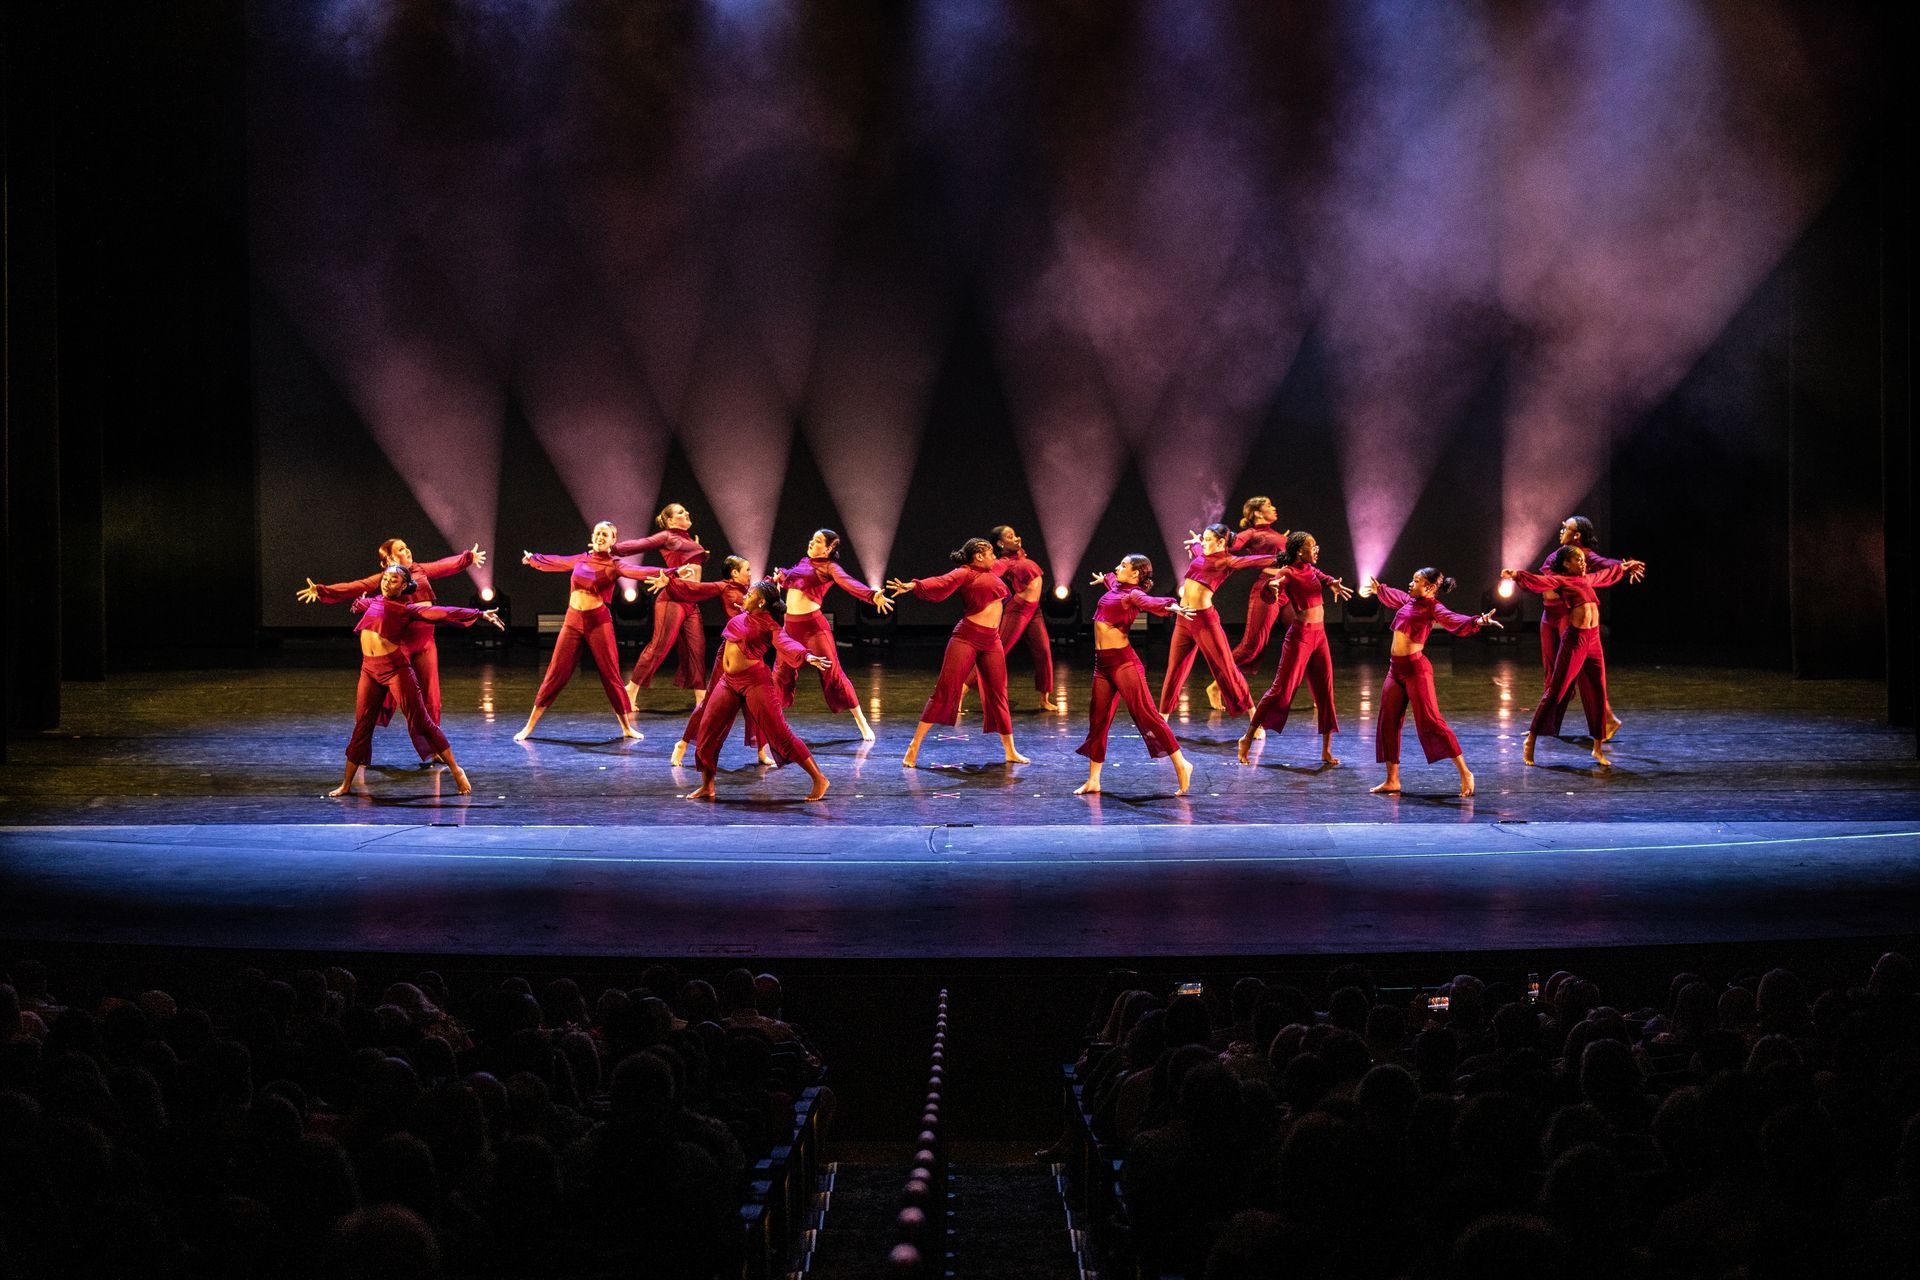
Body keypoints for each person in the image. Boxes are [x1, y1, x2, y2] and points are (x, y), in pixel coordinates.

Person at [297, 538, 486, 764]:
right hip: (401, 645)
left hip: (426, 643)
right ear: (388, 559)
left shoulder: (419, 570)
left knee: (431, 699)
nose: (407, 550)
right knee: (374, 703)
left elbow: (444, 565)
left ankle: (435, 750)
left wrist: (468, 558)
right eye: (400, 549)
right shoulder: (386, 579)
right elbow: (356, 586)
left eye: (406, 546)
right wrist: (322, 590)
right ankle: (360, 753)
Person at [329, 565, 502, 797]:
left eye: (393, 580)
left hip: (395, 669)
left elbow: (443, 612)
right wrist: (351, 601)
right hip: (369, 670)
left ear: (404, 586)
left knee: (421, 722)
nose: (387, 583)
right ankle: (346, 784)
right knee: (362, 725)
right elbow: (361, 602)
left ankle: (456, 769)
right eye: (385, 579)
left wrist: (479, 614)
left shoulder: (406, 609)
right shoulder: (374, 601)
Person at [516, 522, 688, 742]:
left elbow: (639, 571)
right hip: (572, 621)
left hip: (598, 623)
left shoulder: (614, 564)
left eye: (605, 535)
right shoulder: (581, 559)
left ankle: (626, 727)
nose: (600, 537)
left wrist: (671, 572)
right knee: (555, 673)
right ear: (592, 537)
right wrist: (533, 559)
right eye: (597, 533)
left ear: (613, 540)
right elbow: (557, 561)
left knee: (610, 674)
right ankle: (529, 727)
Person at [685, 579, 834, 803]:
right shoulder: (745, 615)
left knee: (780, 734)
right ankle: (708, 786)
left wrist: (806, 655)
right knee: (707, 730)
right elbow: (748, 615)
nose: (745, 596)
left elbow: (785, 642)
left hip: (755, 682)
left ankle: (819, 779)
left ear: (761, 602)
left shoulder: (769, 625)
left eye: (750, 594)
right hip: (728, 682)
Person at [889, 538, 1030, 768]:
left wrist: (1018, 552)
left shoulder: (992, 570)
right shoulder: (964, 573)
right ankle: (914, 746)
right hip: (967, 637)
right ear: (979, 556)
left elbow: (1008, 562)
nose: (994, 556)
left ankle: (1010, 751)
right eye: (990, 553)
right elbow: (940, 582)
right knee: (945, 690)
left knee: (998, 694)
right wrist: (914, 586)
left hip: (992, 640)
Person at [1503, 546, 1646, 767]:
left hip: (1594, 639)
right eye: (1577, 560)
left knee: (1597, 691)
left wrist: (1625, 567)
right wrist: (1516, 575)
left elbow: (1606, 574)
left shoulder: (1587, 578)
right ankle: (1531, 738)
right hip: (1576, 640)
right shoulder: (1560, 580)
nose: (1583, 563)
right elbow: (1539, 581)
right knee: (1556, 690)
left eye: (1583, 560)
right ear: (1566, 564)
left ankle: (1597, 748)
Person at [1363, 568, 1500, 798]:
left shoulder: (1434, 607)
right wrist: (1380, 590)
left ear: (1430, 587)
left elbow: (1453, 619)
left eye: (1416, 581)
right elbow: (1396, 596)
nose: (1411, 583)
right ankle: (1392, 780)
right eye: (1412, 579)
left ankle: (1465, 773)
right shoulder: (1409, 601)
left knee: (1431, 722)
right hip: (1395, 670)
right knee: (1388, 721)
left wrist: (1478, 621)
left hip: (1416, 670)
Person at [1076, 555, 1197, 796]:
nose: (1116, 567)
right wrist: (1105, 579)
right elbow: (1112, 581)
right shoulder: (1118, 587)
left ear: (1135, 574)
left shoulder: (1133, 595)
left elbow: (1149, 601)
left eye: (1123, 565)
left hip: (1123, 664)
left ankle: (1182, 763)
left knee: (1146, 715)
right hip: (1102, 665)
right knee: (1098, 720)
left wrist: (1171, 606)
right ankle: (1094, 780)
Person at [1240, 531, 1354, 766]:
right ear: (1299, 551)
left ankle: (1326, 750)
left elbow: (1323, 577)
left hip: (1319, 636)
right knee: (1280, 689)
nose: (1316, 549)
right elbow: (1273, 586)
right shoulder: (1287, 572)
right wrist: (1271, 587)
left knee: (1325, 691)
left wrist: (1332, 583)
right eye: (1312, 546)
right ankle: (1247, 738)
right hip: (1300, 637)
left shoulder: (1310, 569)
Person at [773, 529, 892, 741]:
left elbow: (848, 582)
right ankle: (774, 723)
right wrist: (777, 580)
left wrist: (872, 596)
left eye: (818, 541)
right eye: (812, 539)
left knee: (833, 673)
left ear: (829, 549)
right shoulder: (803, 562)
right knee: (780, 675)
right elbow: (789, 578)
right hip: (789, 629)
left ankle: (862, 722)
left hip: (813, 629)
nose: (811, 542)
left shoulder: (830, 567)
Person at [1535, 516, 1643, 742]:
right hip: (1549, 615)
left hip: (1566, 615)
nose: (1562, 529)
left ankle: (1607, 719)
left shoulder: (1583, 555)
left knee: (1579, 672)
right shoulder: (1562, 553)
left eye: (1566, 527)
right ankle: (1548, 725)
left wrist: (1623, 566)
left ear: (1577, 535)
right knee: (1551, 670)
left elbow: (1605, 564)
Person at [662, 556, 772, 768]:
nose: (750, 573)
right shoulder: (724, 587)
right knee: (710, 702)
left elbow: (765, 592)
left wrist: (774, 580)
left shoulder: (751, 592)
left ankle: (761, 750)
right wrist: (671, 581)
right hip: (730, 654)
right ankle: (682, 745)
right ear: (734, 573)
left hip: (750, 654)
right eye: (747, 570)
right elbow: (696, 589)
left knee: (754, 703)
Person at [1158, 524, 1277, 717]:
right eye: (1204, 539)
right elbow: (1198, 550)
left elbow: (1251, 561)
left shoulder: (1226, 561)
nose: (1204, 543)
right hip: (1183, 620)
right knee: (1175, 671)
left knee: (1227, 669)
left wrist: (1282, 558)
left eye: (1208, 539)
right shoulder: (1202, 554)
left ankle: (1254, 716)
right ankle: (1162, 719)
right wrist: (1196, 543)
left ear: (1221, 542)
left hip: (1204, 622)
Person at [614, 503, 711, 706]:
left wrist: (694, 548)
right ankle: (631, 689)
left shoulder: (687, 539)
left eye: (686, 510)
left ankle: (701, 700)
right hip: (672, 599)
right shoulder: (667, 536)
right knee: (659, 647)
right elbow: (641, 544)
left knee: (697, 649)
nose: (687, 512)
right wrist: (612, 548)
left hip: (691, 601)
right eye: (680, 512)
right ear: (670, 520)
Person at [962, 525, 1057, 712]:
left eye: (1015, 535)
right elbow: (987, 570)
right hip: (1019, 610)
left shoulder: (1020, 555)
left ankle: (1044, 699)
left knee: (1044, 651)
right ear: (1000, 543)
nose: (1016, 538)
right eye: (1010, 536)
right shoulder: (1003, 562)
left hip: (1034, 611)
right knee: (996, 651)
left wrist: (1017, 545)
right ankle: (961, 690)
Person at [1225, 497, 1291, 688]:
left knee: (1305, 636)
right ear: (1258, 513)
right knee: (1251, 647)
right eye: (1269, 505)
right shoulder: (1252, 533)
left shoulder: (1275, 534)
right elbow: (1231, 545)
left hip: (1288, 588)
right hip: (1267, 589)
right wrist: (1205, 543)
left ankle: (1318, 694)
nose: (1274, 507)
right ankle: (1218, 683)